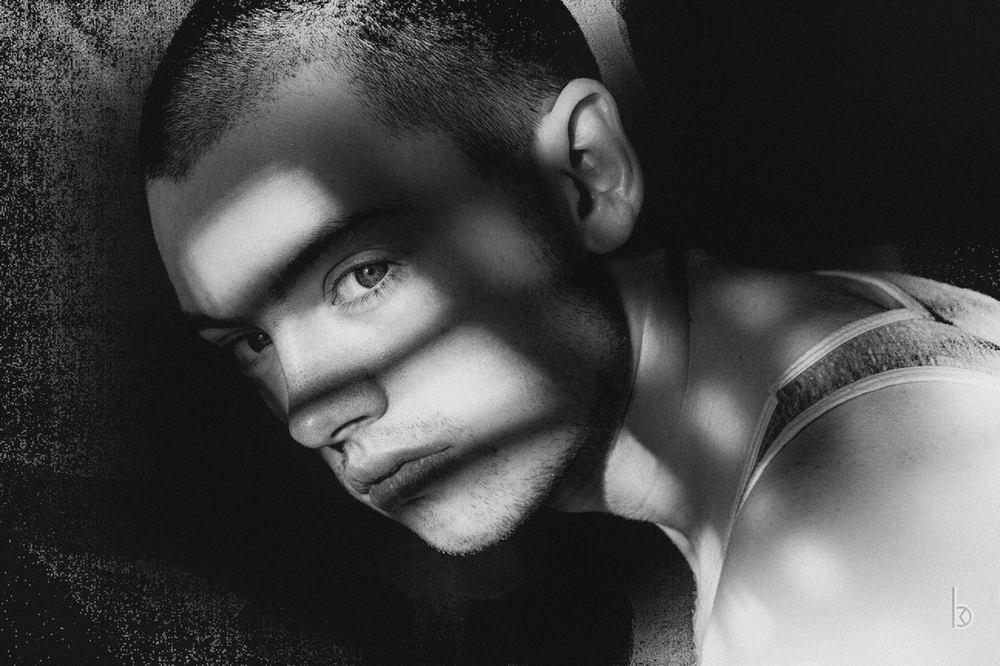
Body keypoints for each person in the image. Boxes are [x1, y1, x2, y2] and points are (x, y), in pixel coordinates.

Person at [141, 0, 1000, 662]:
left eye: (365, 274)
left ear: (587, 176)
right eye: (251, 342)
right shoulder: (828, 372)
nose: (309, 413)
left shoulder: (857, 537)